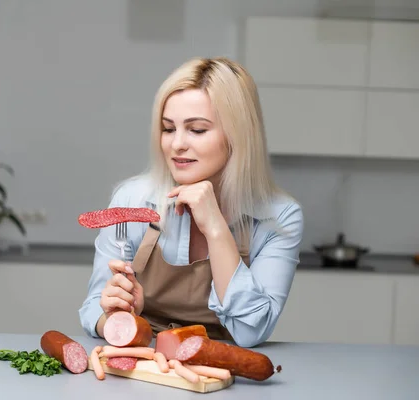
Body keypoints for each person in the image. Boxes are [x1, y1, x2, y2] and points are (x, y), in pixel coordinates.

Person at [78, 57, 304, 348]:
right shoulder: (132, 199)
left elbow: (251, 332)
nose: (176, 144)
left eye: (197, 130)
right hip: (147, 364)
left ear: (238, 136)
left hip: (223, 370)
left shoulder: (279, 216)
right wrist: (116, 317)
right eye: (168, 128)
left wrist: (215, 228)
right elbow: (92, 309)